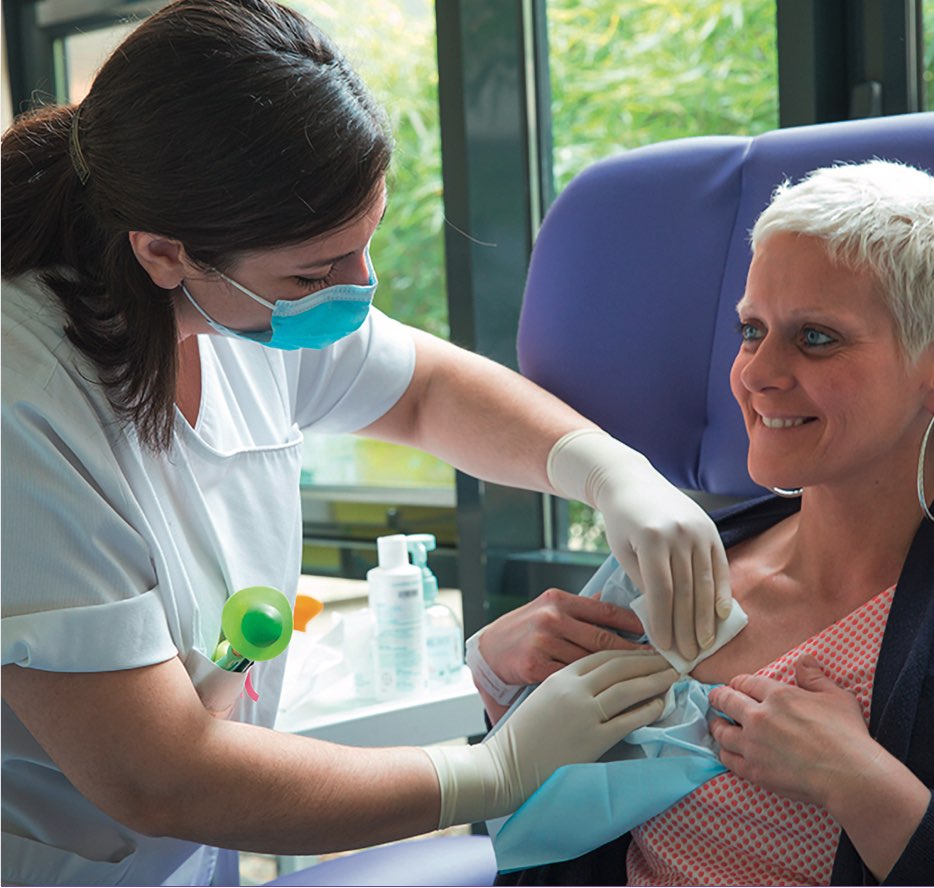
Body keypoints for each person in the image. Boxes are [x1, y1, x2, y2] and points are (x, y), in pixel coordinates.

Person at [0, 1, 733, 884]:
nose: (359, 289)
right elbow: (157, 775)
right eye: (315, 272)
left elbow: (424, 391)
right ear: (163, 252)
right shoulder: (24, 405)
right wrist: (487, 772)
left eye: (365, 244)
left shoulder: (230, 302)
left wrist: (610, 471)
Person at [479, 159, 934, 885]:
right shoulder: (682, 560)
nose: (756, 374)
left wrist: (860, 783)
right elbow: (526, 835)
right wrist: (506, 694)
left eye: (816, 337)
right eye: (751, 330)